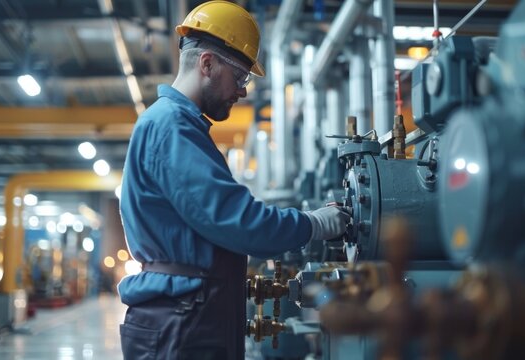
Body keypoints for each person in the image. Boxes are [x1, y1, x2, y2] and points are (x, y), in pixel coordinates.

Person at [117, 1, 351, 359]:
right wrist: (312, 224)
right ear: (207, 64)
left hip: (187, 312)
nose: (242, 91)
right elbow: (237, 221)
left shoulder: (179, 127)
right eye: (240, 78)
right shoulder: (171, 128)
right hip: (182, 320)